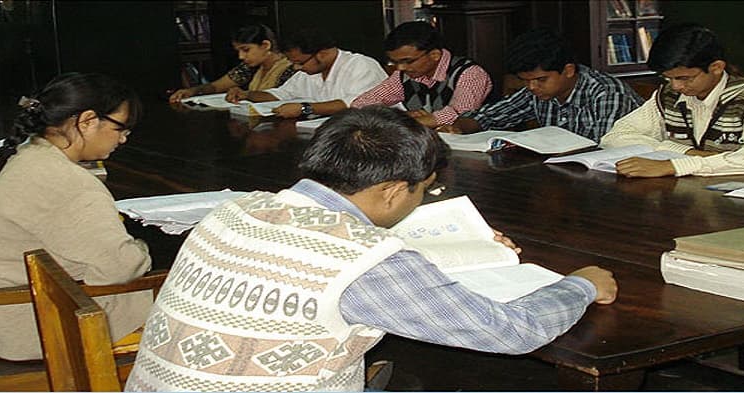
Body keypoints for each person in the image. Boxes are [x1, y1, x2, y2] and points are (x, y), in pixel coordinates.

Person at [123, 106, 618, 392]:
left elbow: (319, 252)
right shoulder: (365, 261)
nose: (424, 197)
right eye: (425, 189)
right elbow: (513, 332)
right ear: (392, 190)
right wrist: (580, 285)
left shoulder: (240, 210)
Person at [0, 73, 153, 361]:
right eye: (121, 128)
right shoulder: (65, 181)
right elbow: (120, 269)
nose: (123, 139)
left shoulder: (23, 156)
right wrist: (142, 249)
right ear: (86, 121)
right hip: (33, 331)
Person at [600, 23, 744, 178]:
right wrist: (684, 152)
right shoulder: (669, 96)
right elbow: (615, 137)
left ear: (716, 67)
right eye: (668, 78)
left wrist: (674, 166)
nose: (675, 87)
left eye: (684, 78)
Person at [440, 29, 642, 143]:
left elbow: (606, 148)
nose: (532, 87)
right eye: (525, 80)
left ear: (569, 70)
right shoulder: (537, 90)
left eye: (540, 79)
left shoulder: (607, 94)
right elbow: (488, 116)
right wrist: (457, 127)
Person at [350, 21, 492, 128]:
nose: (400, 67)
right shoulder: (403, 75)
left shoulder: (469, 73)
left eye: (408, 61)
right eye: (394, 62)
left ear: (435, 55)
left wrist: (408, 121)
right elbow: (360, 105)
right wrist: (399, 117)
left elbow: (461, 115)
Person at [228, 28, 387, 118]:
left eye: (299, 63)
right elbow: (282, 94)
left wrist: (305, 108)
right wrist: (247, 95)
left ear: (322, 54)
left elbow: (356, 104)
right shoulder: (309, 70)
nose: (297, 68)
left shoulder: (361, 65)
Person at [167, 24, 297, 103]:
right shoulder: (249, 68)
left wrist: (245, 95)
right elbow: (216, 87)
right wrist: (193, 91)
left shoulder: (290, 69)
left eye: (246, 50)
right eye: (238, 51)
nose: (241, 56)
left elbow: (280, 97)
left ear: (265, 45)